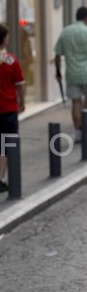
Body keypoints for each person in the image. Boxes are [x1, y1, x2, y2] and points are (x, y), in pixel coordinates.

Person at [53, 7, 87, 141]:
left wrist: (58, 71)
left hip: (72, 73)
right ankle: (85, 119)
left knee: (76, 102)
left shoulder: (66, 31)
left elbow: (57, 54)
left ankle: (78, 131)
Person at [0, 24, 26, 193]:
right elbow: (19, 84)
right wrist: (22, 101)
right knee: (7, 143)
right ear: (4, 40)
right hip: (8, 108)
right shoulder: (10, 60)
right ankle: (1, 178)